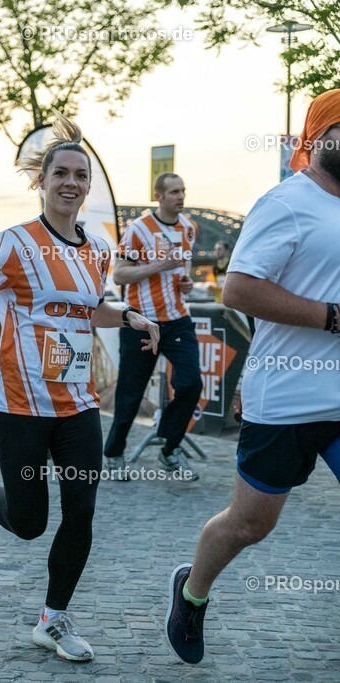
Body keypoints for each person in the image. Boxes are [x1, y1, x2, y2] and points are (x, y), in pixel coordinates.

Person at [0, 115, 159, 662]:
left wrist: (130, 317)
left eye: (80, 175)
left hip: (77, 404)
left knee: (81, 510)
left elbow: (90, 311)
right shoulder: (13, 244)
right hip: (19, 404)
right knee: (31, 523)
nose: (71, 183)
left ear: (88, 185)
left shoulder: (97, 249)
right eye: (61, 173)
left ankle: (53, 620)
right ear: (43, 180)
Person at [166, 89, 340, 665]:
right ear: (319, 138)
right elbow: (239, 289)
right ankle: (192, 593)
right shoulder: (286, 203)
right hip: (286, 399)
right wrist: (331, 318)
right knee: (248, 524)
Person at [103, 173, 203, 480]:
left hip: (177, 319)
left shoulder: (189, 228)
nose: (180, 196)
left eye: (183, 190)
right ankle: (114, 453)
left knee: (191, 383)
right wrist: (159, 266)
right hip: (141, 320)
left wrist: (186, 284)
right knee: (131, 393)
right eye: (173, 191)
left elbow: (181, 275)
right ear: (158, 196)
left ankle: (169, 447)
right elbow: (119, 275)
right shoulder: (138, 229)